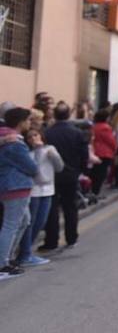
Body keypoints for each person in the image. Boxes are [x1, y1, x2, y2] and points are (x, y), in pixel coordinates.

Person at [41, 103, 88, 251]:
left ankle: (51, 241)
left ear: (54, 115)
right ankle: (71, 238)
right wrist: (79, 170)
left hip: (52, 174)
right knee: (70, 207)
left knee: (52, 208)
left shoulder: (47, 133)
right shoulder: (76, 133)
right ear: (68, 115)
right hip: (70, 174)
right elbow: (84, 155)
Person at [16, 122, 63, 267]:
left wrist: (53, 155)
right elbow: (33, 170)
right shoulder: (27, 152)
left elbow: (59, 167)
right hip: (33, 191)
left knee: (41, 222)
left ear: (41, 135)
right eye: (30, 137)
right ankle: (25, 253)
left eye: (35, 135)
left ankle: (26, 250)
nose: (33, 139)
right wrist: (37, 151)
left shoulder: (50, 148)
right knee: (31, 223)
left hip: (48, 189)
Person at [0, 108, 37, 279]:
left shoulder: (7, 138)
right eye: (28, 120)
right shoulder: (14, 142)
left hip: (13, 186)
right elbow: (32, 167)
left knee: (24, 221)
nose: (30, 123)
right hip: (15, 186)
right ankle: (2, 264)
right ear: (20, 122)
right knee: (11, 225)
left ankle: (8, 258)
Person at [89, 108, 117, 196]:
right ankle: (95, 192)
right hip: (105, 153)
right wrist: (115, 148)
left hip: (95, 151)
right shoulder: (105, 127)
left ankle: (93, 191)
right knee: (101, 174)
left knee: (95, 173)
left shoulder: (94, 126)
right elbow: (111, 141)